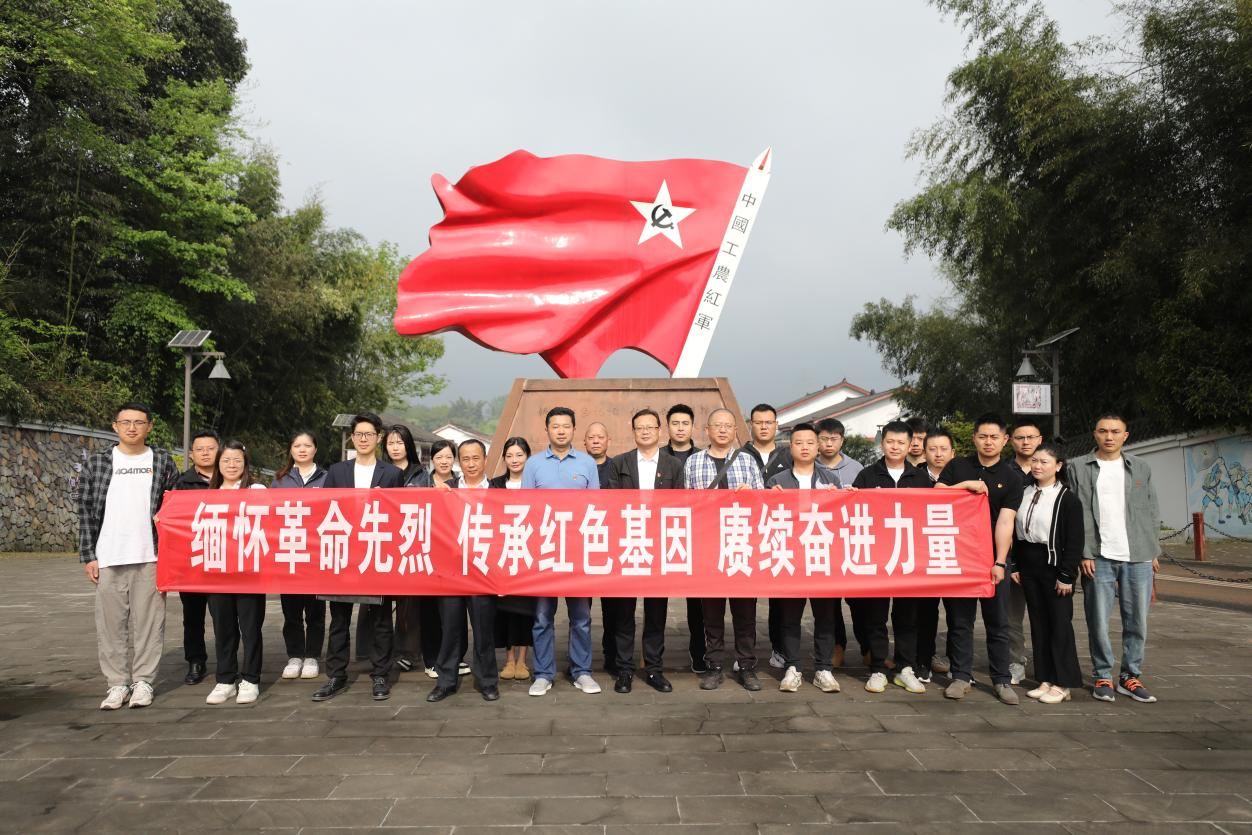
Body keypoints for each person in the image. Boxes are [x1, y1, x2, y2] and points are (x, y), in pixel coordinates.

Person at [78, 402, 178, 710]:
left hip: (151, 556)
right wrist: (89, 555)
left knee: (150, 624)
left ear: (149, 426)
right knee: (110, 625)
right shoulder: (98, 462)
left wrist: (171, 555)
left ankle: (144, 681)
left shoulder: (161, 460)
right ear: (115, 426)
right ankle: (117, 684)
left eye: (138, 422)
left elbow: (174, 506)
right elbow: (85, 510)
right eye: (126, 422)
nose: (132, 427)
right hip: (109, 555)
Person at [311, 412, 404, 703]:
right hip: (343, 553)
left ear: (379, 438)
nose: (364, 439)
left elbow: (400, 515)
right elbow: (325, 510)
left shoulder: (391, 474)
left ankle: (380, 674)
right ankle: (336, 675)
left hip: (377, 553)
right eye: (359, 434)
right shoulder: (337, 471)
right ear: (352, 437)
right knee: (339, 618)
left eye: (369, 434)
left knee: (380, 619)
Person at [1069, 414, 1161, 703]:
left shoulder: (1140, 467)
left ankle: (1130, 676)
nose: (1109, 436)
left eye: (1115, 431)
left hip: (1138, 554)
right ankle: (1103, 675)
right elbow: (1076, 512)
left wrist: (1153, 550)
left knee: (1137, 621)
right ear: (1094, 434)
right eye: (1103, 431)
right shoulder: (1077, 467)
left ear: (1125, 435)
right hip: (1098, 556)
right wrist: (1084, 551)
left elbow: (1151, 509)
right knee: (1097, 620)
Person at [936, 413, 1023, 705]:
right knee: (960, 621)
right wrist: (965, 485)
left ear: (1004, 440)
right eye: (983, 436)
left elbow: (1006, 522)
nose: (988, 442)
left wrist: (1000, 562)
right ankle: (961, 676)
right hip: (959, 555)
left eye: (994, 437)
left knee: (998, 622)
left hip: (992, 558)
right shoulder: (957, 466)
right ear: (974, 438)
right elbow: (937, 494)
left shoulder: (1011, 477)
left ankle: (1001, 680)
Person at [522, 406, 602, 696]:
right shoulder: (533, 464)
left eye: (566, 426)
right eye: (555, 426)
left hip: (577, 551)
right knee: (543, 617)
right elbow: (525, 509)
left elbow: (596, 508)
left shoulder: (587, 463)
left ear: (573, 429)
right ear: (547, 430)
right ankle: (543, 674)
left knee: (581, 617)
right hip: (544, 551)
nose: (560, 431)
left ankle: (582, 671)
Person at [603, 408, 685, 694]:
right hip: (629, 546)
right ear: (634, 432)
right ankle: (624, 670)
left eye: (650, 427)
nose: (646, 432)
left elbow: (679, 506)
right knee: (624, 614)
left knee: (656, 612)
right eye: (640, 428)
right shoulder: (619, 463)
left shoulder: (673, 465)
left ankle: (653, 669)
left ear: (659, 431)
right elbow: (612, 505)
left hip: (659, 547)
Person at [850, 421, 932, 696]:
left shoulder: (920, 479)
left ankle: (905, 667)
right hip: (876, 556)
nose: (895, 447)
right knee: (875, 615)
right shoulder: (866, 475)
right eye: (890, 442)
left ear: (911, 445)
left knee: (908, 615)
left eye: (901, 443)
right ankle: (877, 668)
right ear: (882, 443)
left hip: (909, 556)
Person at [686, 407, 765, 691]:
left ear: (735, 431)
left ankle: (747, 666)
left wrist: (751, 496)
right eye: (717, 425)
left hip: (742, 545)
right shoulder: (693, 462)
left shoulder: (747, 461)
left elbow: (763, 503)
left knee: (745, 614)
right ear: (707, 430)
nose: (722, 430)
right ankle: (714, 666)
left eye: (728, 426)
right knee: (711, 614)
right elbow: (684, 505)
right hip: (708, 548)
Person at [766, 423, 842, 694]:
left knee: (825, 617)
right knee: (789, 617)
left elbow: (840, 518)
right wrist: (769, 499)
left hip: (821, 556)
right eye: (799, 443)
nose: (805, 447)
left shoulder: (830, 480)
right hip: (791, 557)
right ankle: (793, 667)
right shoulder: (777, 481)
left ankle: (823, 669)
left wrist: (841, 498)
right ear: (791, 447)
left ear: (818, 446)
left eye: (810, 442)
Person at [1010, 443, 1084, 704]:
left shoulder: (1067, 499)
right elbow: (1015, 533)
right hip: (1028, 564)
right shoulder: (1024, 492)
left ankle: (1063, 682)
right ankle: (1045, 677)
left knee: (1059, 624)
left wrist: (1067, 576)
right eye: (1035, 461)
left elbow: (1075, 541)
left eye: (1044, 462)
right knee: (1038, 622)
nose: (1038, 466)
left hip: (1054, 565)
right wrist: (1015, 566)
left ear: (1058, 466)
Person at [427, 439, 501, 702]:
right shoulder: (446, 489)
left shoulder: (497, 491)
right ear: (460, 461)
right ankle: (446, 681)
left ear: (485, 460)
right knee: (450, 628)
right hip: (451, 572)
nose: (471, 464)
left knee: (483, 629)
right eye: (466, 459)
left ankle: (487, 681)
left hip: (482, 572)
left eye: (476, 458)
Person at [205, 440, 268, 706]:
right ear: (218, 464)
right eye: (226, 461)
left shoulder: (257, 490)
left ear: (245, 464)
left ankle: (251, 679)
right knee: (223, 627)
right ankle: (225, 679)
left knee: (250, 628)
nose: (231, 466)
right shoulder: (208, 494)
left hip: (249, 571)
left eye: (237, 461)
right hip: (217, 571)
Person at [271, 430, 328, 681]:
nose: (302, 450)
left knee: (315, 610)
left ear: (315, 449)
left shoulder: (327, 478)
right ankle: (294, 656)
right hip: (289, 552)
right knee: (291, 610)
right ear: (291, 450)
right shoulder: (280, 480)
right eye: (297, 446)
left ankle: (312, 656)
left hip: (317, 553)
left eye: (307, 445)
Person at [741, 403, 792, 670]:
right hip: (747, 534)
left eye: (768, 422)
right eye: (758, 422)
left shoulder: (788, 455)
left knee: (779, 597)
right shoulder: (739, 455)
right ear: (750, 425)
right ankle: (745, 653)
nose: (763, 427)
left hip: (780, 534)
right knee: (746, 598)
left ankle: (779, 648)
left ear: (776, 425)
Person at [166, 429, 219, 686]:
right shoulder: (181, 484)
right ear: (191, 454)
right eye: (200, 449)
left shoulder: (232, 479)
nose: (205, 453)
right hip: (193, 560)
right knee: (193, 615)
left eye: (210, 448)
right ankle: (196, 661)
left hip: (224, 559)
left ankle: (228, 661)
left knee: (224, 615)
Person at [384, 424, 434, 678]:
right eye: (391, 443)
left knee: (409, 602)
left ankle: (408, 652)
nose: (395, 448)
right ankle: (379, 650)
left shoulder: (420, 474)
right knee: (380, 599)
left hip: (410, 540)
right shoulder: (379, 471)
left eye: (400, 442)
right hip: (381, 540)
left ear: (409, 446)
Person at [814, 417, 863, 667]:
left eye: (833, 439)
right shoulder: (808, 467)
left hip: (852, 541)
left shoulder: (857, 468)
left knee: (859, 600)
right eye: (823, 439)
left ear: (842, 440)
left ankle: (868, 648)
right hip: (822, 541)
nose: (828, 444)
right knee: (829, 602)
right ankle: (837, 647)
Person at [662, 403, 706, 674]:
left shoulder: (702, 458)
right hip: (662, 535)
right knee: (656, 600)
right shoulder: (656, 458)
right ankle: (651, 655)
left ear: (693, 426)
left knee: (697, 601)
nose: (680, 428)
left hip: (696, 537)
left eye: (685, 423)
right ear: (667, 427)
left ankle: (699, 652)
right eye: (675, 423)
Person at [490, 437, 534, 681]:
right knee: (504, 610)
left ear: (527, 456)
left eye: (519, 455)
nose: (514, 460)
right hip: (503, 555)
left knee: (526, 609)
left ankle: (522, 660)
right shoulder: (495, 485)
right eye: (509, 456)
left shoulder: (535, 484)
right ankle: (508, 660)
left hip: (528, 555)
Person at [1005, 419, 1045, 684]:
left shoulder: (1052, 469)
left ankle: (1045, 664)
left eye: (1031, 437)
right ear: (1011, 441)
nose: (1026, 442)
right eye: (1020, 437)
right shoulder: (1004, 471)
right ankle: (1015, 661)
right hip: (1011, 554)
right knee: (1012, 616)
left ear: (1040, 440)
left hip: (1044, 556)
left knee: (1044, 615)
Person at [914, 427, 956, 683]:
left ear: (953, 452)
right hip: (923, 555)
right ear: (923, 452)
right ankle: (923, 661)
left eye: (943, 449)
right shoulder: (914, 477)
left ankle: (957, 664)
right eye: (932, 449)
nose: (938, 454)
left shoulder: (965, 474)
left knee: (958, 614)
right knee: (925, 613)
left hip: (955, 554)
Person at [584, 421, 612, 487]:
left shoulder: (616, 467)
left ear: (608, 442)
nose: (596, 441)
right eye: (591, 437)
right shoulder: (577, 467)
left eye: (601, 437)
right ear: (585, 442)